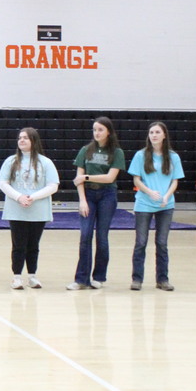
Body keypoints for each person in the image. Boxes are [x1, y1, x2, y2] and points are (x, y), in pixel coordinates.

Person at [0, 128, 59, 290]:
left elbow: (53, 185)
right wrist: (19, 197)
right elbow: (3, 183)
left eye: (25, 138)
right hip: (16, 210)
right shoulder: (10, 161)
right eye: (20, 138)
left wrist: (33, 197)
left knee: (33, 245)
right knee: (18, 244)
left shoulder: (45, 162)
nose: (22, 140)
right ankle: (16, 277)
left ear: (34, 140)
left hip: (37, 210)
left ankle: (32, 276)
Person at [128, 122, 184, 292]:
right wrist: (149, 191)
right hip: (144, 204)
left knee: (161, 243)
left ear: (164, 135)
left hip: (165, 205)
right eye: (151, 132)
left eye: (157, 132)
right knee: (141, 242)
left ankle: (162, 279)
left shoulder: (173, 157)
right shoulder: (141, 155)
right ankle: (137, 279)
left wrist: (166, 196)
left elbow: (175, 180)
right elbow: (136, 179)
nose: (154, 135)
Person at [70, 116, 125, 290]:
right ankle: (81, 279)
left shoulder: (116, 152)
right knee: (85, 235)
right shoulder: (86, 150)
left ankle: (99, 277)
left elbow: (110, 178)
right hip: (88, 194)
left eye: (100, 129)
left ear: (108, 131)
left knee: (102, 237)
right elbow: (78, 179)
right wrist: (82, 201)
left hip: (107, 195)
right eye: (94, 129)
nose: (97, 133)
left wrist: (86, 177)